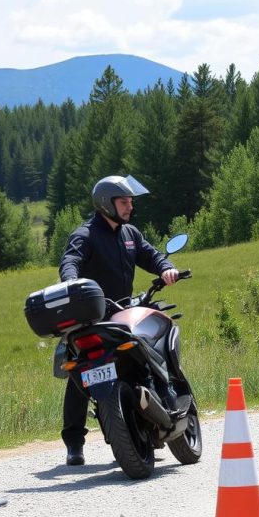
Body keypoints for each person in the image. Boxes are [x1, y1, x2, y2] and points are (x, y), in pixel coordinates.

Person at [57, 175, 180, 466]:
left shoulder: (129, 234)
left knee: (143, 359)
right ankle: (74, 444)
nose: (130, 208)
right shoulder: (85, 235)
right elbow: (70, 261)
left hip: (123, 313)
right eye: (124, 202)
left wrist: (166, 268)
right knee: (81, 375)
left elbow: (151, 255)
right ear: (106, 203)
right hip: (92, 317)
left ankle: (154, 419)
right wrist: (71, 283)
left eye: (131, 202)